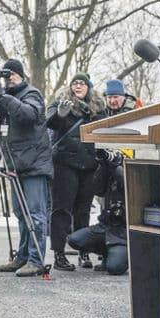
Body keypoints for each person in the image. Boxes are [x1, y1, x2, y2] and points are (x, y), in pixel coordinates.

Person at [0, 59, 53, 277]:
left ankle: (35, 260)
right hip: (16, 164)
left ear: (20, 74)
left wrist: (5, 98)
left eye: (12, 74)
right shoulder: (5, 97)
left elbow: (29, 115)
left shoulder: (32, 94)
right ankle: (22, 257)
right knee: (21, 214)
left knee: (35, 214)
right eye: (5, 75)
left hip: (34, 164)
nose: (9, 78)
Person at [46, 73, 106, 271]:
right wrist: (59, 114)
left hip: (89, 165)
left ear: (88, 87)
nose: (78, 86)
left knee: (83, 210)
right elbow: (48, 123)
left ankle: (83, 251)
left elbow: (104, 130)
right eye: (75, 83)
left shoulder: (98, 107)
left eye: (82, 83)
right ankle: (59, 253)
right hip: (65, 164)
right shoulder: (61, 103)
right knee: (61, 209)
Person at [67, 150, 129, 274]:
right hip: (105, 227)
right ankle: (107, 252)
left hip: (122, 234)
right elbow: (98, 189)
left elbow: (126, 185)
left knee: (114, 268)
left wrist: (116, 167)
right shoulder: (109, 171)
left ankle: (124, 254)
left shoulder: (129, 174)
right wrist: (103, 165)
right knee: (74, 239)